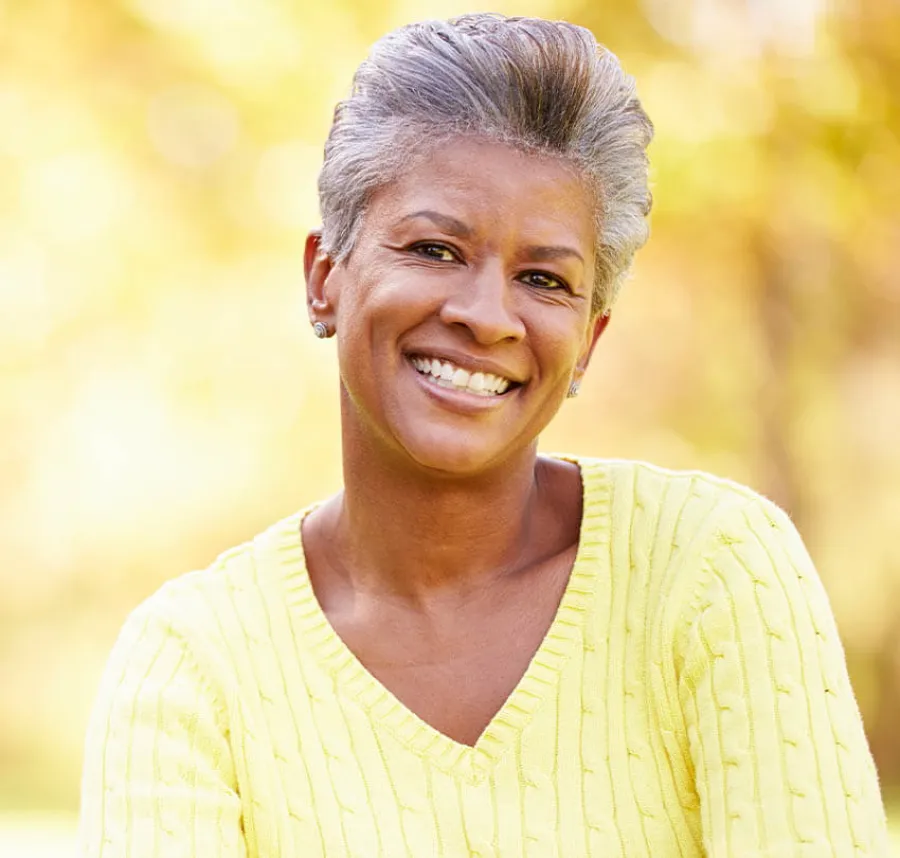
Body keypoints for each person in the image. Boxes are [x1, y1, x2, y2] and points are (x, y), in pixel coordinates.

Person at [77, 13, 890, 857]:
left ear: (589, 340)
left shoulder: (715, 567)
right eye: (434, 250)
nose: (485, 316)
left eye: (544, 278)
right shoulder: (191, 670)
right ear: (325, 278)